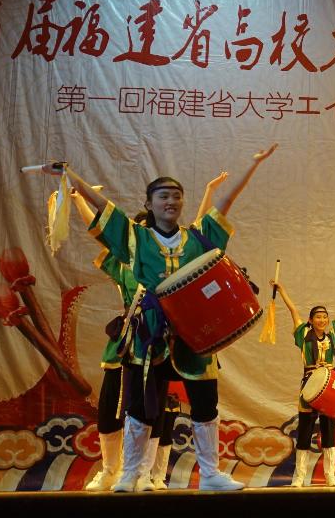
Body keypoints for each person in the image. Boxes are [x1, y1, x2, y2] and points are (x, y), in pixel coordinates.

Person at [56, 144, 278, 492]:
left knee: (205, 403)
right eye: (162, 196)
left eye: (176, 196)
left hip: (196, 335)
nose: (170, 201)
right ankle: (130, 474)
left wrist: (253, 166)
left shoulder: (198, 237)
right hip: (149, 334)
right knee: (140, 407)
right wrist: (72, 178)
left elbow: (226, 202)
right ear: (149, 204)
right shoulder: (136, 239)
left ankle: (210, 475)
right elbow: (103, 208)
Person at [70, 172, 225, 491]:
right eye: (137, 232)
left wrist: (210, 190)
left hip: (180, 336)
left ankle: (153, 473)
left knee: (173, 408)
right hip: (137, 339)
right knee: (127, 407)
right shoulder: (124, 260)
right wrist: (78, 197)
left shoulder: (182, 248)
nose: (143, 237)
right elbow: (102, 227)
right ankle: (117, 471)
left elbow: (199, 231)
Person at [274, 278, 335, 486]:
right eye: (318, 317)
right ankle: (299, 477)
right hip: (309, 387)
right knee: (305, 432)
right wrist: (281, 290)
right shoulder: (303, 336)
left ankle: (330, 475)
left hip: (328, 389)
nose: (322, 320)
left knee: (329, 432)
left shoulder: (332, 338)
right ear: (311, 320)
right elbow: (293, 311)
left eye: (324, 317)